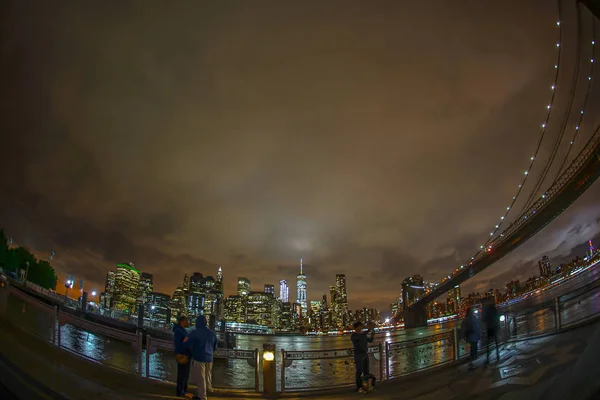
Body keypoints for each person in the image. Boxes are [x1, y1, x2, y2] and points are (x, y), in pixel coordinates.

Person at [185, 315, 218, 400]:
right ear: (206, 323)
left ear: (197, 323)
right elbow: (215, 346)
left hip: (199, 357)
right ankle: (208, 390)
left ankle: (202, 396)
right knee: (207, 376)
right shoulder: (212, 333)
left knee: (200, 378)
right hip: (209, 358)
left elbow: (186, 343)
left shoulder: (194, 332)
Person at [350, 321, 374, 393]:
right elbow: (359, 338)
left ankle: (367, 386)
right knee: (359, 371)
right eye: (359, 326)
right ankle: (359, 387)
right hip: (359, 355)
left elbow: (370, 341)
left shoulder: (363, 335)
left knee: (366, 371)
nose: (360, 328)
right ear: (355, 328)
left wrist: (372, 336)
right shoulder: (354, 336)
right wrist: (368, 331)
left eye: (361, 326)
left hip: (365, 354)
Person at [173, 315, 191, 398]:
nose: (188, 322)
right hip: (182, 354)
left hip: (184, 354)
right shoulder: (179, 331)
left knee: (184, 374)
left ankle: (183, 390)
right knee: (182, 374)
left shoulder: (181, 330)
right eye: (187, 321)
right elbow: (181, 343)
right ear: (182, 321)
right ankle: (180, 392)